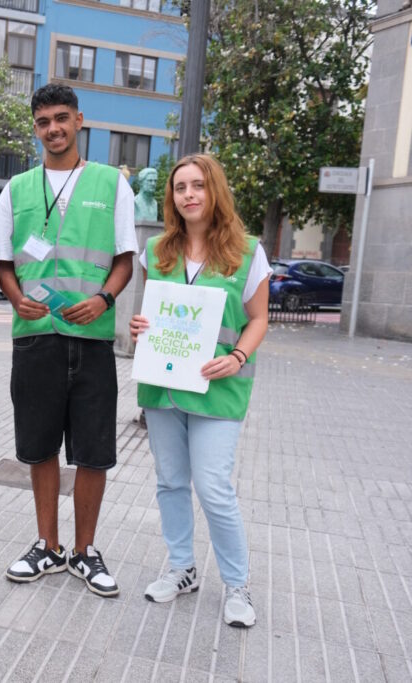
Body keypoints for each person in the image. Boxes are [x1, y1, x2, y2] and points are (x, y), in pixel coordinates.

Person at [0, 83, 137, 596]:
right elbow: (4, 264)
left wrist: (103, 300)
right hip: (35, 338)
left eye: (61, 118)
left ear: (79, 120)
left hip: (91, 338)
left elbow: (125, 258)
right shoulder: (16, 189)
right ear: (35, 128)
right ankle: (48, 546)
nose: (52, 128)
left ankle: (85, 551)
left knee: (93, 451)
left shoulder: (112, 184)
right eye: (43, 121)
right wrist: (16, 299)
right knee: (39, 447)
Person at [129, 153, 270, 627]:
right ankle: (181, 568)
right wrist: (139, 327)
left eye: (198, 185)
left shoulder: (247, 252)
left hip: (217, 390)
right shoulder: (156, 251)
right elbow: (153, 314)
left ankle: (237, 584)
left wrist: (238, 356)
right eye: (180, 187)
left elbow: (259, 318)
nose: (188, 195)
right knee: (170, 481)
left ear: (215, 191)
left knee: (212, 487)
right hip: (164, 388)